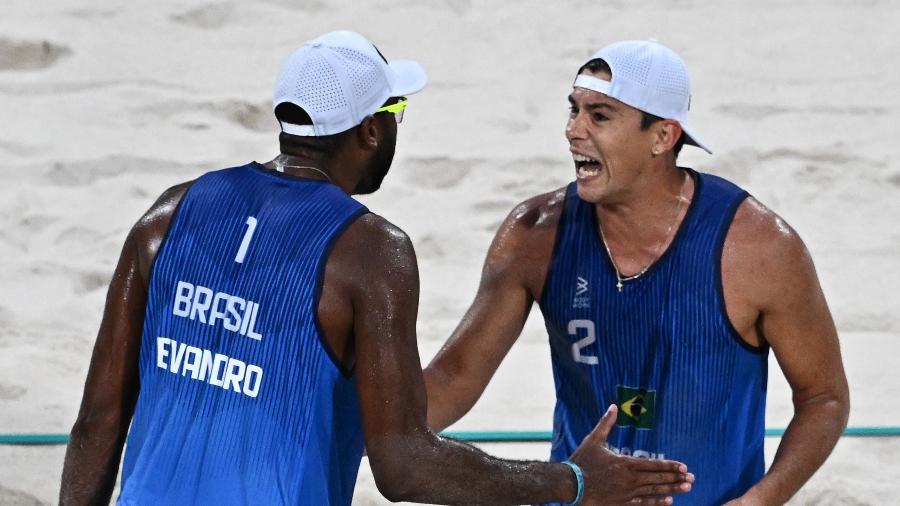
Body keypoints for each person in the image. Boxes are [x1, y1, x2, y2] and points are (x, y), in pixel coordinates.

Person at [58, 31, 694, 506]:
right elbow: (404, 465)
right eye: (396, 115)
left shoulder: (168, 215)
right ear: (368, 131)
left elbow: (99, 418)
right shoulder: (368, 252)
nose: (396, 131)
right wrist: (573, 481)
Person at [424, 38, 850, 505]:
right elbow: (455, 377)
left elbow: (823, 398)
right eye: (574, 110)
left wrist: (759, 501)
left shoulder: (759, 247)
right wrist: (360, 430)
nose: (573, 131)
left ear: (663, 136)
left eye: (599, 116)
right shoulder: (534, 234)